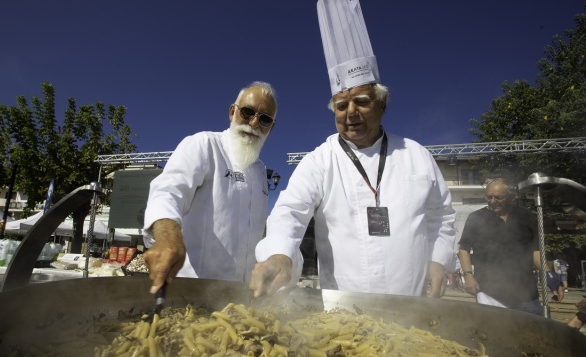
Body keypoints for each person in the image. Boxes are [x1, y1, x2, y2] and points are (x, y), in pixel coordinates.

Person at [249, 0, 456, 298]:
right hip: (343, 313)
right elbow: (289, 213)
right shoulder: (319, 160)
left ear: (382, 105)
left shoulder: (416, 155)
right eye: (342, 105)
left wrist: (438, 260)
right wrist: (279, 255)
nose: (351, 113)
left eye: (362, 101)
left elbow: (441, 217)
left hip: (413, 305)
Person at [142, 81, 278, 294]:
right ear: (233, 112)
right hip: (193, 292)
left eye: (264, 119)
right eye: (247, 112)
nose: (253, 123)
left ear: (271, 127)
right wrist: (167, 235)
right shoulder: (204, 145)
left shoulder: (261, 172)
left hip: (242, 297)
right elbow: (168, 191)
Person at [457, 178, 543, 315]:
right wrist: (468, 275)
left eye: (499, 197)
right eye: (489, 197)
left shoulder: (527, 216)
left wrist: (549, 275)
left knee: (532, 333)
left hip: (526, 292)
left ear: (511, 197)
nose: (492, 201)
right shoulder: (476, 218)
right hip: (489, 292)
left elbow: (536, 251)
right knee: (495, 334)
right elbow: (463, 249)